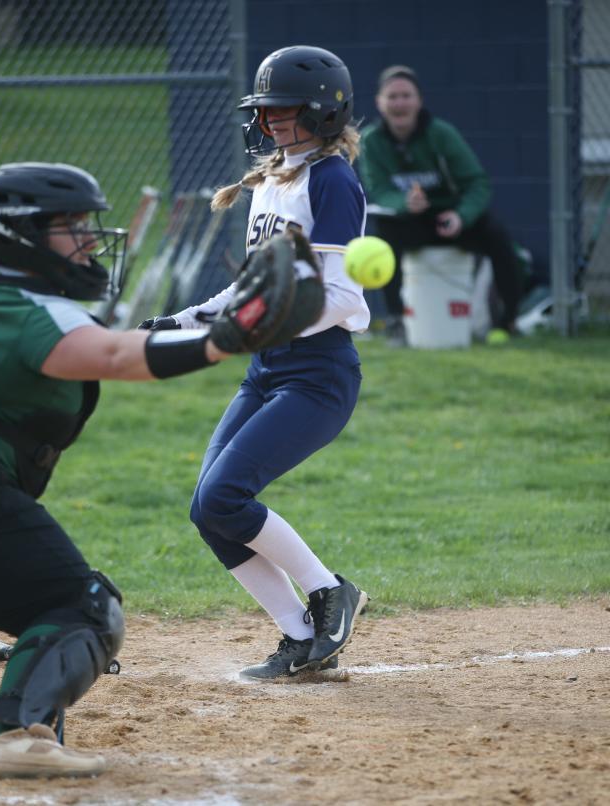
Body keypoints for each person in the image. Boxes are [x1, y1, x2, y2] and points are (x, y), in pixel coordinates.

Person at [0, 161, 316, 778]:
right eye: (69, 226)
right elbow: (113, 354)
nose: (86, 238)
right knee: (84, 606)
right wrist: (227, 338)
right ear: (21, 234)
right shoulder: (31, 309)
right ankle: (14, 732)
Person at [141, 46, 370, 681]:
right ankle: (299, 636)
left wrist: (270, 323)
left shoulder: (331, 179)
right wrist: (182, 321)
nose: (270, 121)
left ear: (326, 111)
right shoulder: (274, 181)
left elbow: (345, 298)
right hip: (265, 369)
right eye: (264, 110)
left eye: (285, 109)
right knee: (207, 509)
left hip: (317, 374)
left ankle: (331, 594)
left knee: (225, 493)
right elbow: (254, 288)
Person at [359, 64, 524, 345]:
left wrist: (461, 215)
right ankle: (397, 322)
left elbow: (477, 182)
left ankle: (508, 320)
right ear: (380, 102)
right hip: (408, 220)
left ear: (419, 100)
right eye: (392, 96)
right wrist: (404, 202)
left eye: (406, 95)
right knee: (384, 232)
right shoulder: (372, 141)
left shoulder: (442, 133)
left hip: (450, 218)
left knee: (497, 234)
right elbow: (378, 190)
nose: (399, 103)